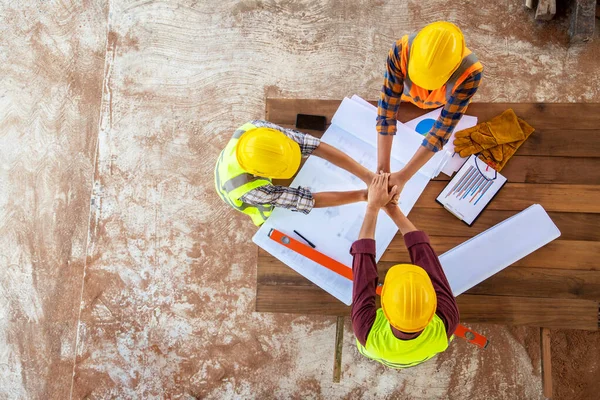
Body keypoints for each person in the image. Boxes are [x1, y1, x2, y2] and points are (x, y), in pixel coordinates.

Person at [350, 173, 459, 368]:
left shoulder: (368, 335)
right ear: (433, 303)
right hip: (423, 352)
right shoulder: (445, 323)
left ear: (383, 306)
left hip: (379, 352)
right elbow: (429, 263)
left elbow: (363, 276)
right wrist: (391, 209)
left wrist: (373, 207)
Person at [376, 21, 483, 194]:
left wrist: (403, 176)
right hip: (407, 101)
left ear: (452, 70)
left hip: (440, 105)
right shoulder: (401, 50)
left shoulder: (470, 74)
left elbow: (442, 129)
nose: (424, 88)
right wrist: (382, 170)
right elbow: (387, 107)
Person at [214, 120, 375, 226]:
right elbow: (305, 200)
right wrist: (363, 195)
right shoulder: (251, 192)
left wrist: (369, 176)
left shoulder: (255, 129)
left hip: (239, 162)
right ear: (260, 174)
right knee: (270, 217)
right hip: (233, 190)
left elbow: (314, 145)